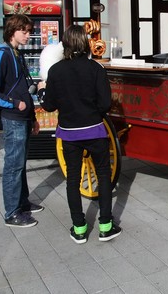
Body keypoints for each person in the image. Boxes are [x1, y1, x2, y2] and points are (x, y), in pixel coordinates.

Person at [37, 25, 121, 244]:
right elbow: (105, 104)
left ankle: (79, 228)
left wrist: (42, 90)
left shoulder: (56, 71)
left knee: (73, 180)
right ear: (86, 43)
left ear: (65, 44)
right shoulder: (96, 69)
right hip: (95, 130)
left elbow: (48, 105)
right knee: (104, 176)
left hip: (69, 134)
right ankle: (106, 225)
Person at [0, 13, 43, 228]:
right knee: (13, 166)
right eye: (23, 31)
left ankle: (22, 203)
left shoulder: (16, 53)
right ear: (12, 31)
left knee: (19, 164)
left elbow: (24, 88)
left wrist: (33, 117)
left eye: (29, 31)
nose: (28, 35)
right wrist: (14, 104)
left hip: (23, 118)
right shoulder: (2, 54)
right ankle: (12, 213)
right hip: (14, 119)